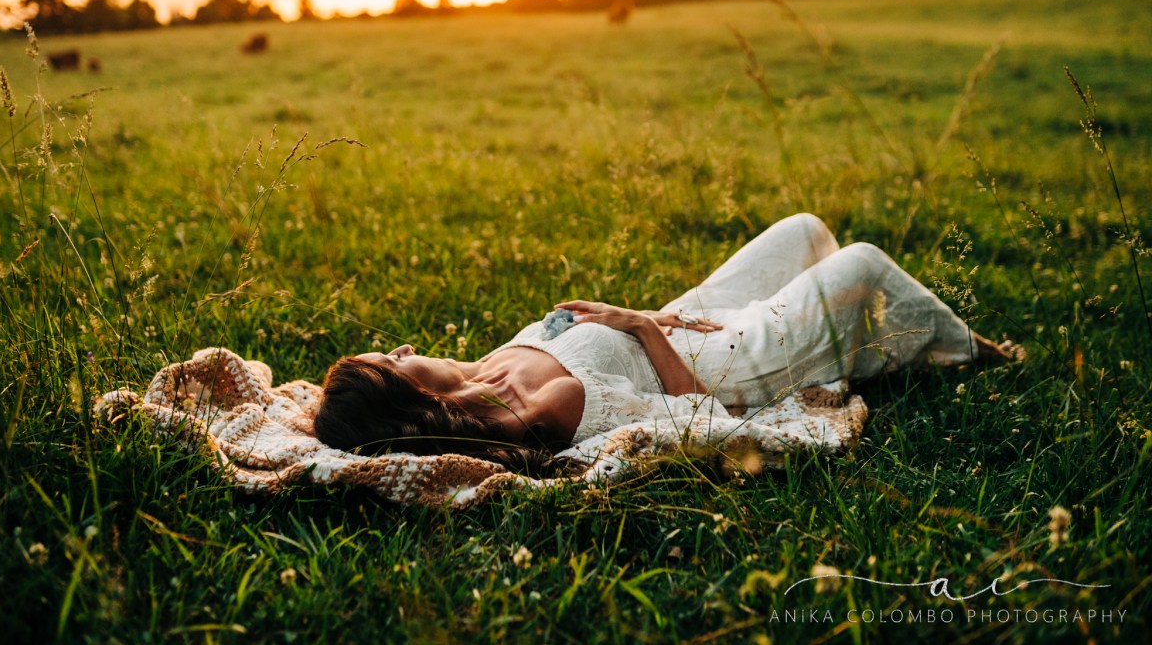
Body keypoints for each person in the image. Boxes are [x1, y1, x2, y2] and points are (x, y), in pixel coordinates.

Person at [313, 213, 1021, 473]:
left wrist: (648, 319)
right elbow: (690, 415)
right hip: (724, 361)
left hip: (677, 316)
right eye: (393, 360)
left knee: (805, 232)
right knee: (860, 260)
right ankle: (967, 350)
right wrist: (642, 326)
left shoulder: (475, 376)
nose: (404, 347)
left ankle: (864, 342)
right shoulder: (539, 405)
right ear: (409, 394)